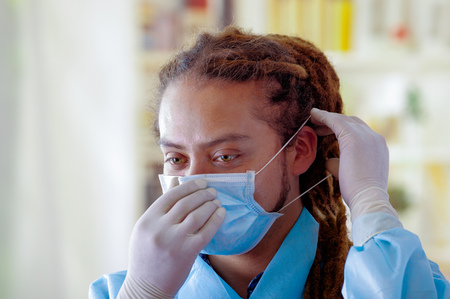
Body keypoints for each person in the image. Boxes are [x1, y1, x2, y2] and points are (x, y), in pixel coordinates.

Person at [89, 27, 450, 298]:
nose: (194, 180)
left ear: (300, 150)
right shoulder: (120, 291)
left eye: (225, 156)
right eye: (176, 158)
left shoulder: (396, 282)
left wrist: (371, 203)